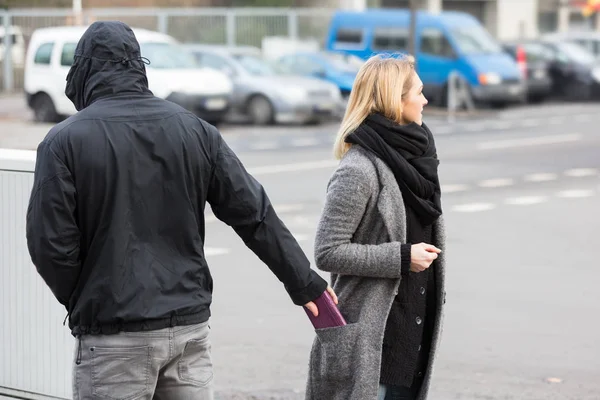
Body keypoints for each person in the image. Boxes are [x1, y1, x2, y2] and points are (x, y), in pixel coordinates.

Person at [25, 21, 335, 400]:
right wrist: (305, 283)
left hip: (112, 339)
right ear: (138, 65)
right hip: (187, 331)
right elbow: (255, 214)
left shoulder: (63, 142)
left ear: (84, 70)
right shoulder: (196, 131)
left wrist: (89, 297)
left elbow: (50, 245)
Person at [305, 54, 447, 400]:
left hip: (412, 330)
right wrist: (401, 257)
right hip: (374, 339)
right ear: (393, 100)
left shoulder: (419, 162)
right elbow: (328, 250)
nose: (425, 100)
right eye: (418, 92)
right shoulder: (359, 169)